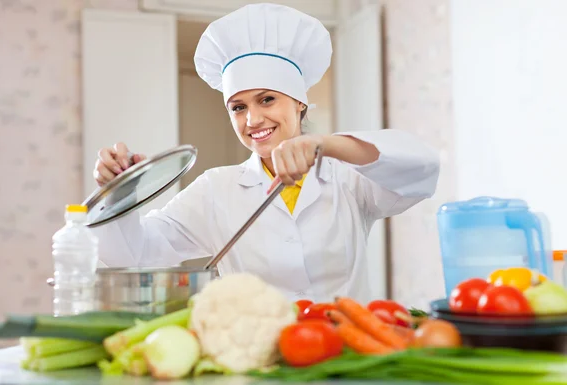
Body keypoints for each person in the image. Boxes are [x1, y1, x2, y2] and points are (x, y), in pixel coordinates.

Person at [90, 3, 440, 304]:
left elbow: (422, 169)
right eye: (238, 107)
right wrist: (119, 192)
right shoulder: (215, 190)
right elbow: (135, 255)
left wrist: (326, 144)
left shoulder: (348, 176)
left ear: (299, 101)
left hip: (345, 356)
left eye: (267, 99)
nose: (252, 119)